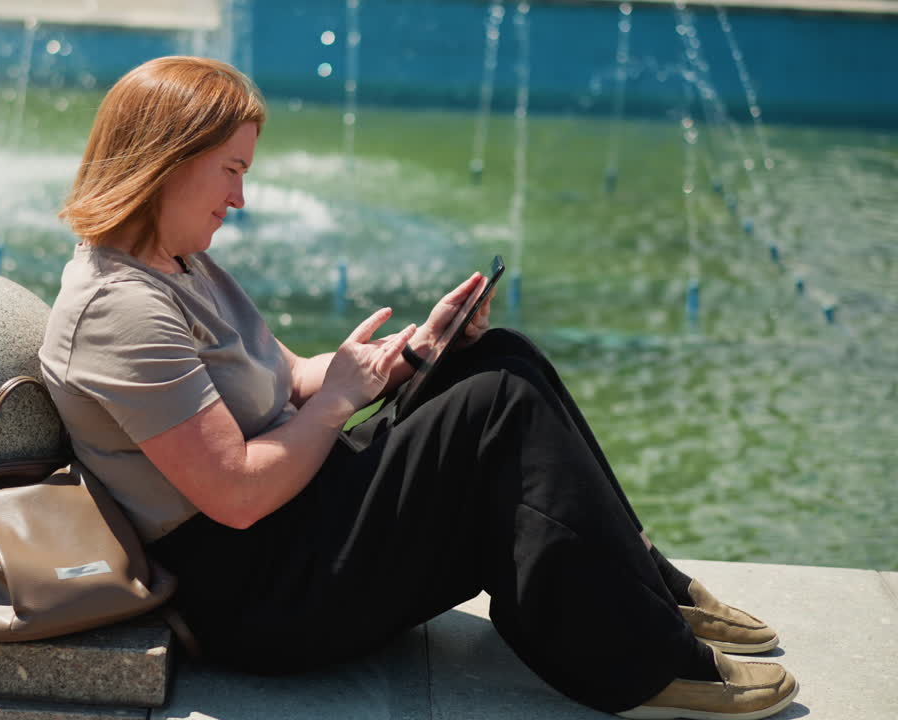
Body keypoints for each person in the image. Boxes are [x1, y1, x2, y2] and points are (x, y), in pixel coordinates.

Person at [39, 56, 798, 720]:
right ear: (170, 161)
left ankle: (645, 584)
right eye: (232, 170)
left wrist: (416, 356)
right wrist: (338, 401)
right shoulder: (118, 309)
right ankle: (640, 661)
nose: (240, 199)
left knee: (495, 356)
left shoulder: (178, 263)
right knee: (494, 406)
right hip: (260, 594)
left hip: (298, 523)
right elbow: (234, 494)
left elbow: (290, 379)